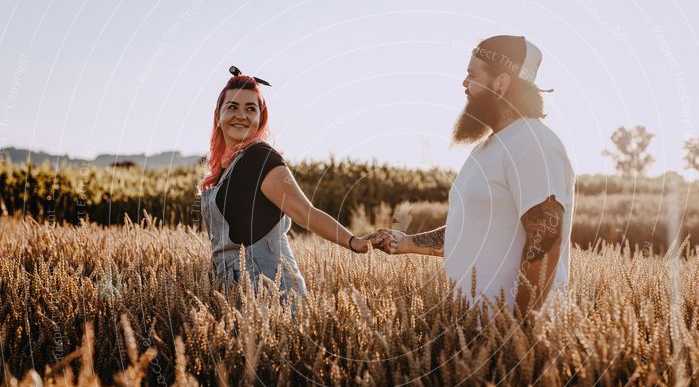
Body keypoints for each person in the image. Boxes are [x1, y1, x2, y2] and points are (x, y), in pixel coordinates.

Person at [373, 35, 575, 316]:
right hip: (475, 330)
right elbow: (469, 230)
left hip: (512, 335)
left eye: (472, 75)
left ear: (501, 83)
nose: (464, 84)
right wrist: (407, 242)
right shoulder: (489, 148)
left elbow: (545, 238)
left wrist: (520, 327)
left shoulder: (532, 144)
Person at [199, 68, 378, 298]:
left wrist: (354, 242)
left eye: (251, 109)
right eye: (232, 107)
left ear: (260, 119)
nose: (241, 115)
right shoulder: (225, 172)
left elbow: (305, 213)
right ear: (218, 115)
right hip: (236, 291)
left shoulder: (260, 158)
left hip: (274, 288)